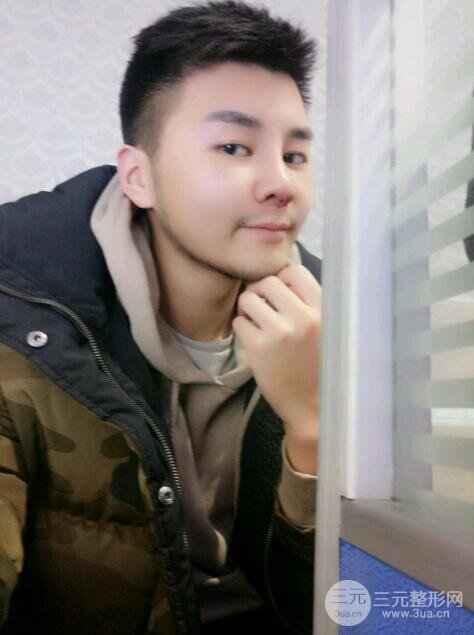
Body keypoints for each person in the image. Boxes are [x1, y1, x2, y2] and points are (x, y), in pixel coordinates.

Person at [0, 1, 322, 633]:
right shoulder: (23, 319)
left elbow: (334, 604)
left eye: (294, 155)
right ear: (138, 178)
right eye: (234, 146)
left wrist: (311, 424)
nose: (280, 184)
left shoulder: (325, 320)